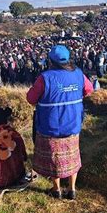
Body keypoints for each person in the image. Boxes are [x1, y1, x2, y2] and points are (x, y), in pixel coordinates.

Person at [26, 44, 93, 200]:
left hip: (51, 127)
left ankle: (56, 189)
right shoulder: (78, 74)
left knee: (54, 158)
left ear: (51, 61)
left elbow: (31, 99)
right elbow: (89, 90)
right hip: (72, 123)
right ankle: (72, 189)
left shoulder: (45, 77)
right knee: (72, 157)